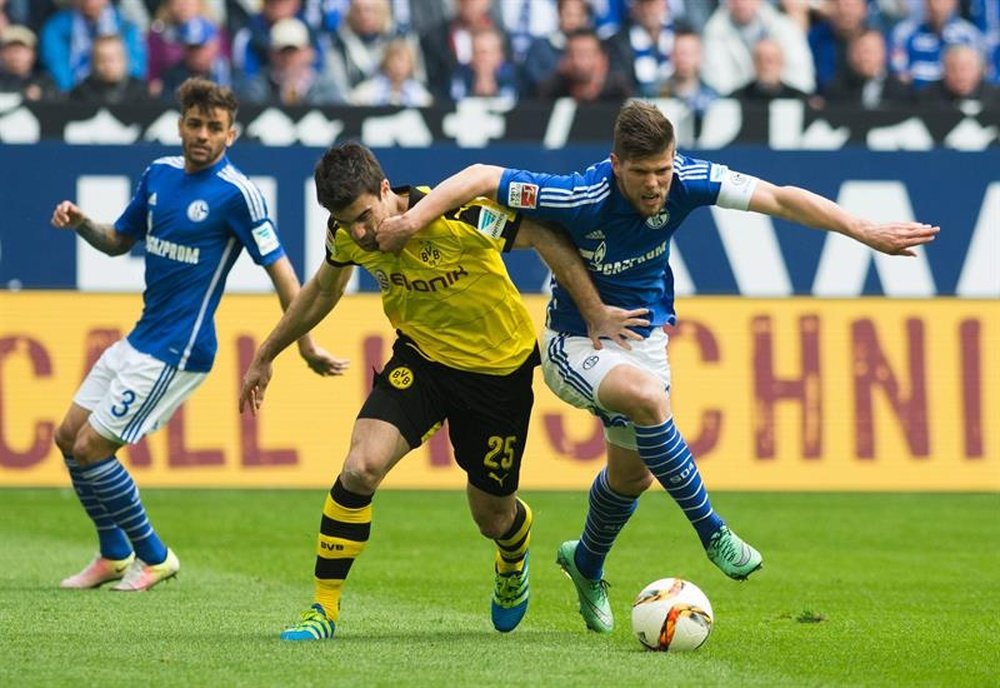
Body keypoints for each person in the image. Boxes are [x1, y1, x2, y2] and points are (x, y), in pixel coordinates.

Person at [375, 100, 940, 634]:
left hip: (641, 341)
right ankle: (713, 532)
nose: (654, 184)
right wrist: (410, 222)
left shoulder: (690, 181)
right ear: (617, 165)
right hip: (576, 342)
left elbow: (782, 198)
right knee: (648, 399)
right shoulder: (577, 195)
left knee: (631, 477)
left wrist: (865, 231)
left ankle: (586, 563)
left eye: (663, 170)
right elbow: (477, 176)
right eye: (642, 172)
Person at [238, 141, 644, 641]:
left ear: (387, 191)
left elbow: (543, 236)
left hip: (498, 374)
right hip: (422, 362)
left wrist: (594, 312)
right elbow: (324, 289)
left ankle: (513, 558)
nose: (361, 234)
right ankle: (322, 610)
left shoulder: (463, 217)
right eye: (349, 223)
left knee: (493, 518)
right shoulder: (344, 236)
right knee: (360, 467)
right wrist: (266, 354)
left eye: (366, 216)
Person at [50, 77, 345, 593]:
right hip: (142, 336)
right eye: (194, 123)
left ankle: (156, 557)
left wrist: (304, 344)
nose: (202, 135)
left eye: (214, 127)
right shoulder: (158, 175)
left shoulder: (238, 195)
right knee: (66, 438)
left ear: (231, 135)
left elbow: (283, 272)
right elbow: (118, 241)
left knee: (94, 447)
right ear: (180, 124)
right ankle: (113, 554)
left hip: (181, 349)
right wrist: (81, 223)